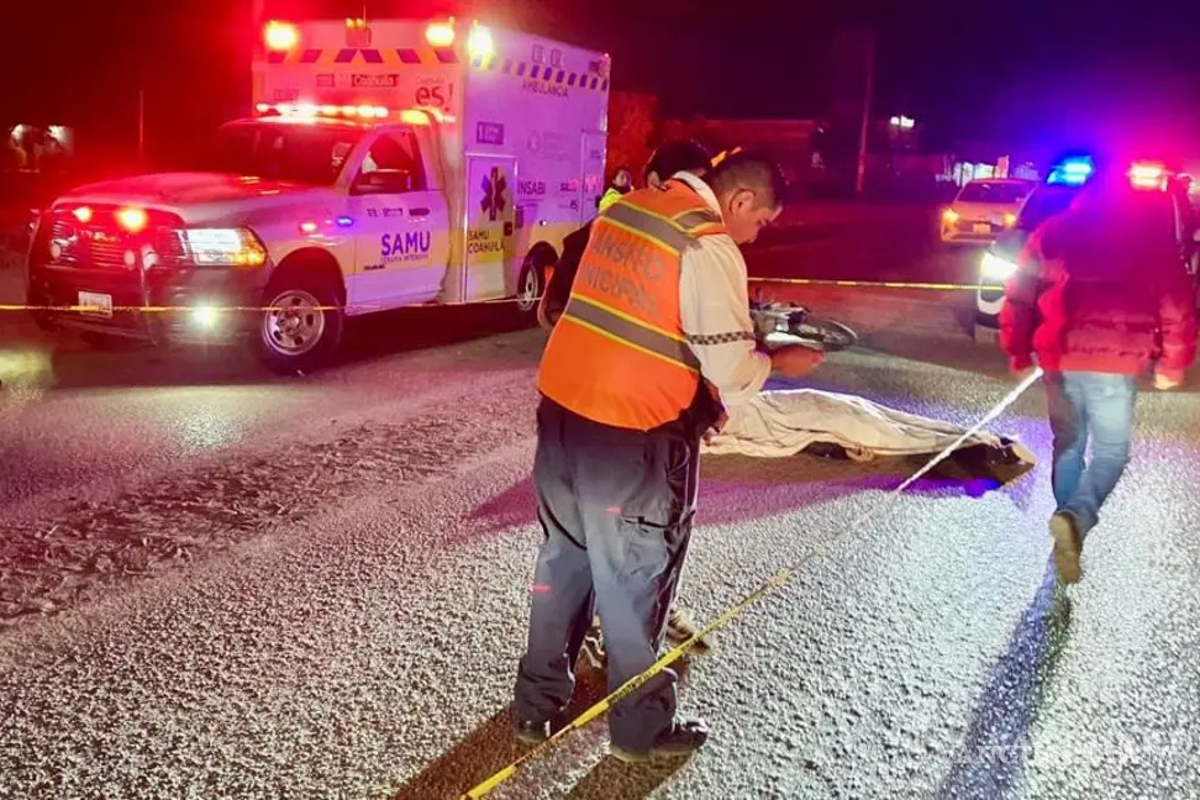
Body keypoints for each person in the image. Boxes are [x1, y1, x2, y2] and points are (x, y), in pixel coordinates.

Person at [514, 151, 824, 762]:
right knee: (635, 584)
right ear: (738, 202)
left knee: (564, 566)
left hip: (563, 415)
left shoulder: (626, 212)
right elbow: (731, 373)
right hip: (635, 433)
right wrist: (778, 361)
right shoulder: (706, 246)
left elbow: (636, 315)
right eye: (760, 222)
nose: (755, 234)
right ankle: (639, 732)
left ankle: (535, 707)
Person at [538, 140, 722, 668]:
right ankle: (617, 647)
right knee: (615, 538)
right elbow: (564, 313)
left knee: (598, 541)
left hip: (600, 410)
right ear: (653, 178)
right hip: (607, 415)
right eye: (677, 184)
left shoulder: (682, 239)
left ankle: (575, 666)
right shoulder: (609, 232)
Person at [1000, 167, 1197, 584]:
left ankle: (1065, 526)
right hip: (1118, 364)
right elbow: (1178, 307)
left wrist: (1017, 348)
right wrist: (1172, 365)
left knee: (1069, 444)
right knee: (1111, 452)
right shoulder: (1149, 238)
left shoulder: (1054, 231)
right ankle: (1075, 519)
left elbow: (1019, 291)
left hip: (1061, 357)